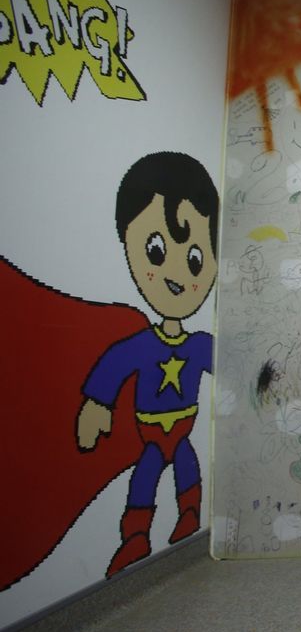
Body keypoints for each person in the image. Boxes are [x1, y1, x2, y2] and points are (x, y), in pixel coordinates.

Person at [78, 151, 219, 577]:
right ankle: (136, 536)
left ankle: (189, 515)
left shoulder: (198, 345)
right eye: (156, 250)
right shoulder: (140, 345)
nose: (179, 271)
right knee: (145, 477)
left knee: (188, 469)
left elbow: (230, 361)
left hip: (184, 426)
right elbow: (112, 368)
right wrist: (97, 405)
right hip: (153, 430)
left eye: (195, 258)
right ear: (128, 246)